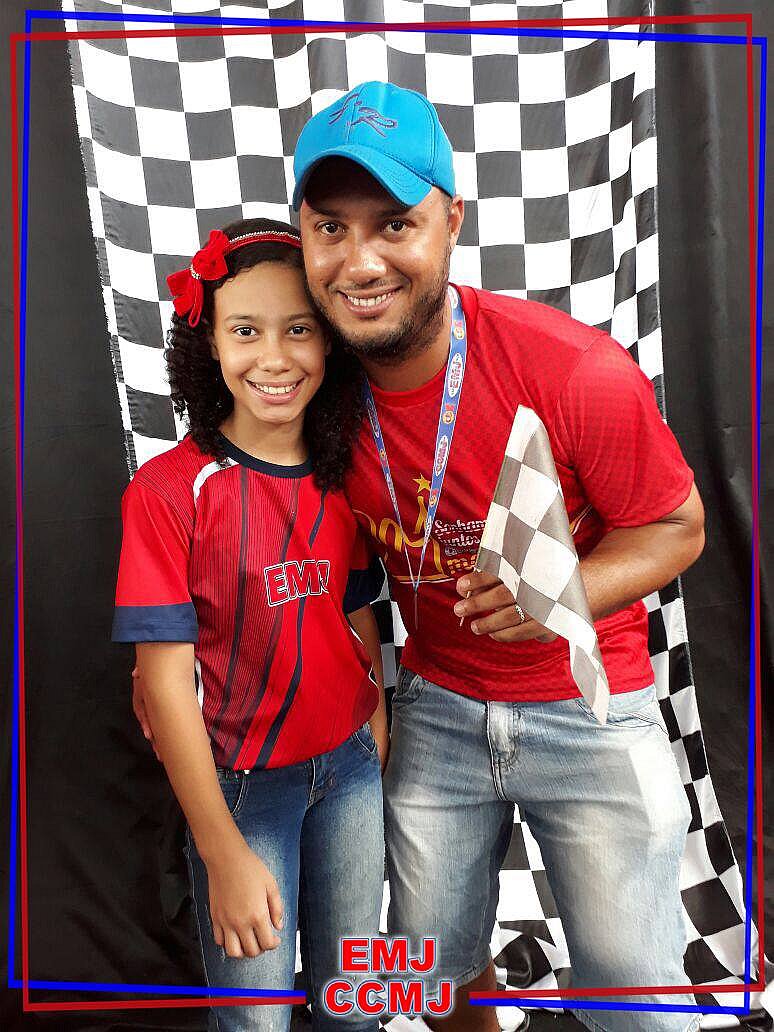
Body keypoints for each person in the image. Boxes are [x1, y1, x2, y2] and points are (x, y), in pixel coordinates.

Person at [132, 84, 706, 1032]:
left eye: (395, 224)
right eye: (330, 228)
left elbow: (678, 527)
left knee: (631, 989)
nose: (361, 262)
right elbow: (262, 531)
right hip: (434, 709)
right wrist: (170, 664)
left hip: (587, 707)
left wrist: (565, 589)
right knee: (432, 972)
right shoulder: (313, 386)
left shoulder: (573, 370)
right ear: (304, 236)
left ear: (451, 223)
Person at [113, 217, 387, 1032]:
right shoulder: (169, 492)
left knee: (353, 1004)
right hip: (242, 794)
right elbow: (164, 684)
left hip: (350, 775)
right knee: (255, 1019)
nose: (274, 357)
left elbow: (357, 609)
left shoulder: (346, 475)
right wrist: (221, 849)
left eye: (298, 329)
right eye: (246, 331)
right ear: (209, 345)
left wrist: (374, 722)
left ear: (330, 340)